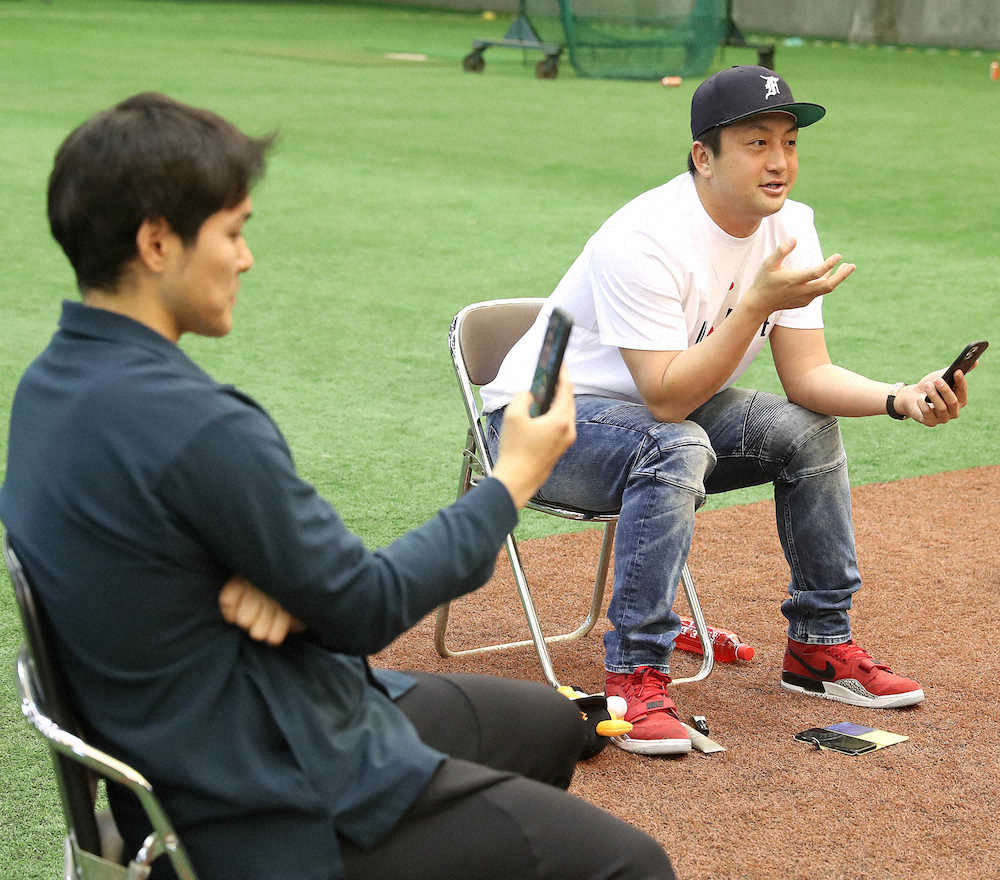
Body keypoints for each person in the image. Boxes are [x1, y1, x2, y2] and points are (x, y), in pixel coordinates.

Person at [0, 93, 675, 880]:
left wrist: (278, 586)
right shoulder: (196, 425)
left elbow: (181, 558)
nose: (246, 257)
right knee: (632, 864)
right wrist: (514, 476)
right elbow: (363, 604)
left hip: (204, 720)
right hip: (268, 784)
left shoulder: (48, 386)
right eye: (233, 230)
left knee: (549, 723)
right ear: (157, 242)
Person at [480, 65, 974, 757]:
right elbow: (667, 397)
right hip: (536, 424)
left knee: (803, 431)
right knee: (675, 441)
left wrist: (900, 398)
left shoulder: (789, 226)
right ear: (702, 157)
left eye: (789, 141)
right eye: (756, 142)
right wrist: (756, 307)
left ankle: (819, 647)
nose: (780, 162)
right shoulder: (643, 235)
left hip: (655, 426)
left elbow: (808, 377)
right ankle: (634, 672)